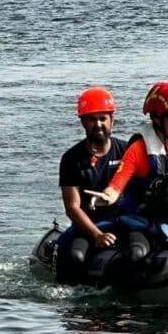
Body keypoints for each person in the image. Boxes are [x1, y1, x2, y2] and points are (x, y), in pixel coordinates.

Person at [93, 81, 168, 242]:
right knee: (136, 254)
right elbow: (116, 186)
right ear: (157, 119)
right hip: (144, 223)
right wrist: (106, 198)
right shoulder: (139, 149)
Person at [58, 87, 128, 250]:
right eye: (92, 119)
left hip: (123, 221)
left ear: (112, 120)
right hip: (87, 226)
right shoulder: (71, 159)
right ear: (83, 122)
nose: (98, 124)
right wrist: (97, 235)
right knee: (75, 257)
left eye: (103, 118)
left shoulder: (127, 151)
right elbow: (72, 208)